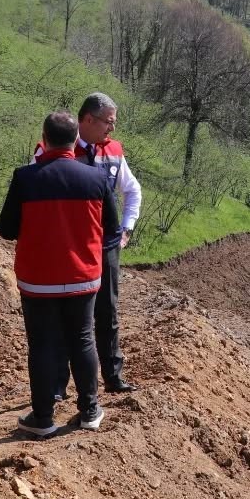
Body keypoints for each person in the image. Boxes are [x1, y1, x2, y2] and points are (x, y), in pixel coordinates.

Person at [0, 111, 119, 437]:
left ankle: (42, 417)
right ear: (73, 138)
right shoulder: (96, 178)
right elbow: (113, 227)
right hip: (83, 276)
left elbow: (6, 228)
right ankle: (90, 410)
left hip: (38, 279)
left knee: (42, 345)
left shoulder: (25, 177)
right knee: (82, 339)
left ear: (44, 137)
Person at [67, 92, 143, 395]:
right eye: (108, 122)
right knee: (71, 312)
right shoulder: (61, 147)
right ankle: (61, 382)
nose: (111, 129)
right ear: (88, 119)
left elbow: (133, 191)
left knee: (107, 311)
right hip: (71, 246)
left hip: (106, 245)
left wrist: (126, 230)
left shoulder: (113, 151)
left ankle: (112, 376)